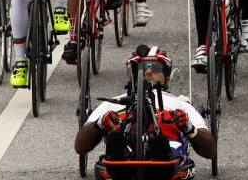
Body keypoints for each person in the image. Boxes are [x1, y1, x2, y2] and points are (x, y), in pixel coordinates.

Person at [75, 45, 215, 180]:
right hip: (126, 147)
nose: (148, 71)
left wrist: (189, 128)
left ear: (166, 78)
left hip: (168, 146)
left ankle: (160, 164)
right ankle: (120, 168)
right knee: (115, 141)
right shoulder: (112, 103)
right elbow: (80, 146)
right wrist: (99, 124)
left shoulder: (181, 104)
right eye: (142, 67)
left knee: (161, 144)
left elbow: (210, 151)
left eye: (155, 67)